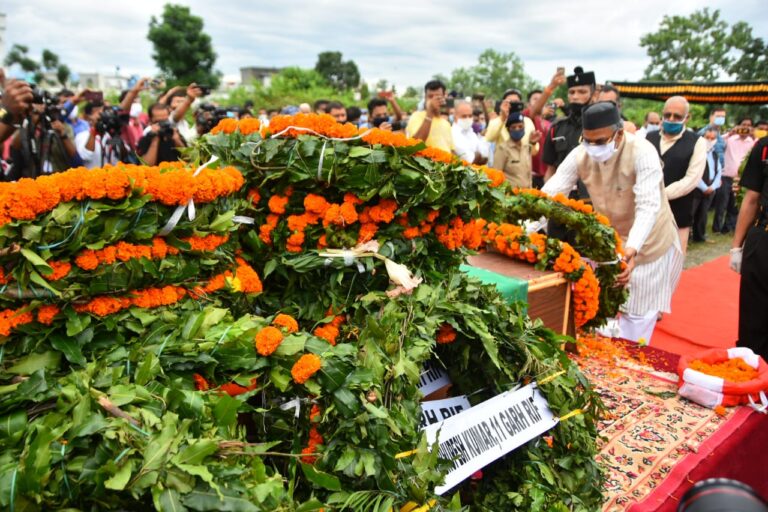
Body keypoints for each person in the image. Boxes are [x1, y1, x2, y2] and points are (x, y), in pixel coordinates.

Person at [542, 102, 682, 343]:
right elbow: (549, 195)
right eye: (587, 140)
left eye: (600, 141)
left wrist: (631, 250)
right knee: (601, 312)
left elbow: (648, 206)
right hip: (612, 243)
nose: (593, 148)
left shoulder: (643, 151)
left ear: (618, 134)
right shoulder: (580, 154)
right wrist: (520, 230)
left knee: (637, 316)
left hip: (649, 242)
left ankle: (631, 363)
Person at [645, 96, 706, 255]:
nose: (671, 119)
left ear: (687, 117)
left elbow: (691, 179)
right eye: (667, 115)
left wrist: (660, 194)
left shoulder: (697, 142)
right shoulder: (648, 138)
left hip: (678, 214)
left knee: (673, 261)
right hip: (647, 212)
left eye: (677, 116)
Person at [730, 135, 768, 360]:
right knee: (754, 313)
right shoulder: (764, 148)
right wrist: (736, 247)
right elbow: (752, 198)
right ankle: (750, 366)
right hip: (763, 238)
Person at [542, 66, 596, 186]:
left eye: (582, 92)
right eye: (572, 92)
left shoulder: (602, 128)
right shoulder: (556, 128)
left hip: (593, 194)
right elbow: (550, 171)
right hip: (562, 195)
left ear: (593, 95)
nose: (575, 96)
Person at [714, 118, 757, 235]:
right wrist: (731, 132)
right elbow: (718, 141)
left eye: (748, 125)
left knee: (734, 204)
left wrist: (754, 135)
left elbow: (759, 146)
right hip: (726, 175)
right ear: (739, 125)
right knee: (722, 203)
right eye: (743, 125)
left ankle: (728, 227)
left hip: (741, 178)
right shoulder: (730, 139)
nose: (745, 127)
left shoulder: (752, 141)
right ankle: (717, 228)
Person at [484, 88, 537, 160]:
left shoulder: (528, 122)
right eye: (509, 102)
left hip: (523, 164)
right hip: (503, 163)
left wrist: (533, 143)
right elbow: (489, 138)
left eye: (516, 102)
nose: (513, 105)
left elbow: (533, 152)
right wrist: (502, 118)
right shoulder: (497, 121)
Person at [492, 111, 541, 188]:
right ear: (508, 130)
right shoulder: (502, 149)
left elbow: (528, 175)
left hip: (526, 193)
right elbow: (496, 175)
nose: (517, 129)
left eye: (520, 127)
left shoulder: (526, 148)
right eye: (514, 127)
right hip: (509, 194)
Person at [690, 128, 722, 243]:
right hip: (697, 187)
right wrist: (704, 187)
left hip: (710, 186)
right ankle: (686, 237)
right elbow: (693, 172)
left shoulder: (714, 153)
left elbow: (719, 171)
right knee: (691, 213)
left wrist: (713, 187)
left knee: (703, 213)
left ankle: (700, 236)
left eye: (713, 138)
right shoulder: (696, 153)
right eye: (707, 137)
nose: (710, 140)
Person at [406, 80, 453, 152]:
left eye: (438, 96)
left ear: (444, 98)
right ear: (425, 98)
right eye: (430, 97)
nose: (433, 100)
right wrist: (430, 113)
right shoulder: (416, 116)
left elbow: (450, 150)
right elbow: (415, 144)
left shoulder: (446, 123)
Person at [452, 100, 488, 165]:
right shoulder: (454, 134)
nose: (468, 118)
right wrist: (478, 156)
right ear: (455, 117)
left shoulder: (471, 132)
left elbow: (485, 155)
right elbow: (471, 160)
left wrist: (479, 156)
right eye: (464, 116)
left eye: (470, 116)